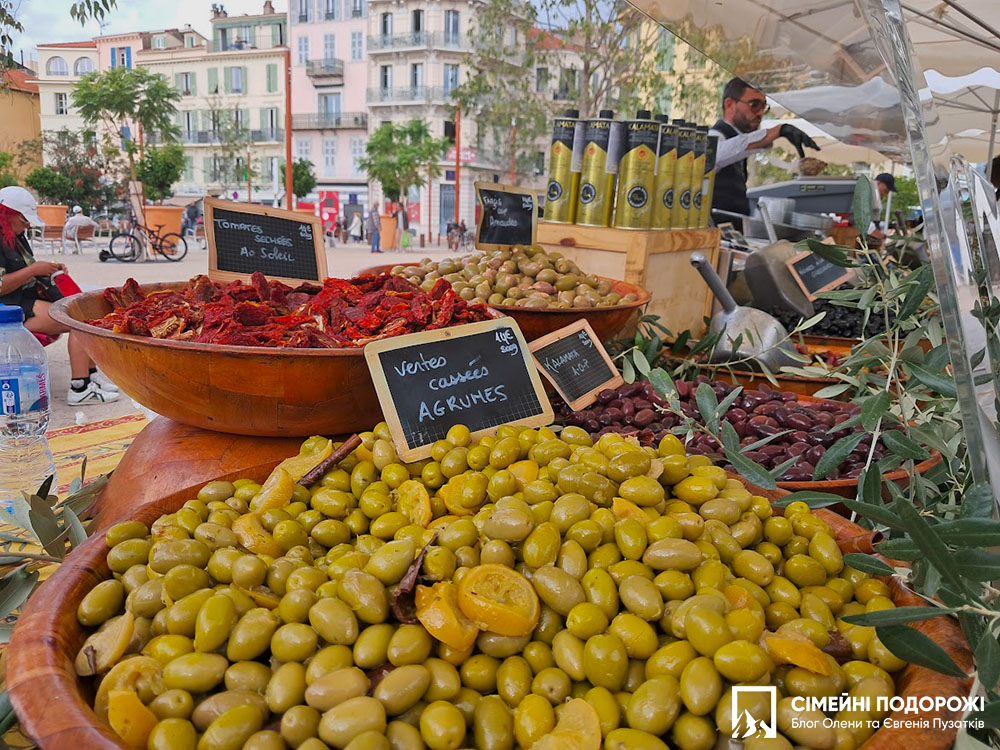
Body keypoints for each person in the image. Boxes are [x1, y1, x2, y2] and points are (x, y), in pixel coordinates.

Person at [0, 187, 118, 405]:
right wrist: (34, 270)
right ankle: (80, 387)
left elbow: (25, 268)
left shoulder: (14, 236)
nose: (26, 227)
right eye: (24, 221)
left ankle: (90, 376)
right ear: (7, 214)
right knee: (77, 322)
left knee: (83, 315)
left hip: (20, 301)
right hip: (10, 308)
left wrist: (47, 268)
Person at [710, 77, 820, 231]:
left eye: (764, 106)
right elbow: (720, 153)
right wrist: (778, 131)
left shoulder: (735, 138)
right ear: (729, 104)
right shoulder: (715, 136)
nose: (760, 113)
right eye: (754, 105)